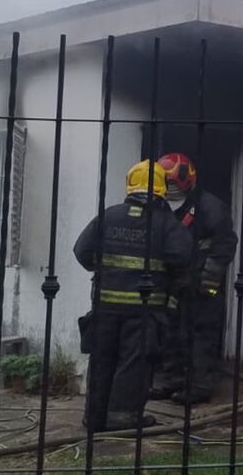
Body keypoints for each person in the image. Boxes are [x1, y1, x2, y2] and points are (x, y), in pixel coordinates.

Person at [74, 160, 193, 432]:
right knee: (134, 362)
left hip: (105, 306)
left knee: (102, 358)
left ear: (130, 185)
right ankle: (122, 418)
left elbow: (82, 251)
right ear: (162, 189)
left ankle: (94, 418)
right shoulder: (166, 223)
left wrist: (107, 267)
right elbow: (183, 258)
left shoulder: (110, 215)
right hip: (145, 309)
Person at [151, 152, 238, 405]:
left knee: (202, 335)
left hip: (201, 284)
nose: (171, 189)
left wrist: (208, 280)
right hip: (173, 283)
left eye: (174, 184)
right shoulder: (161, 205)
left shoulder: (210, 207)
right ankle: (172, 379)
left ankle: (200, 386)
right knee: (170, 332)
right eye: (166, 184)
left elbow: (225, 244)